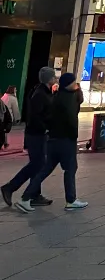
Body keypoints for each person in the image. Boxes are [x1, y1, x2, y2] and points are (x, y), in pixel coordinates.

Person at [23, 72, 86, 210]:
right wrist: (73, 135)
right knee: (70, 168)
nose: (76, 84)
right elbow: (71, 119)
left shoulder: (57, 96)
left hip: (53, 139)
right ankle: (71, 200)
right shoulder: (66, 98)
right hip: (65, 140)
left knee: (46, 169)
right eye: (74, 82)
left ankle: (26, 197)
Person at [1, 68, 57, 212]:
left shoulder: (43, 91)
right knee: (38, 164)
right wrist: (45, 128)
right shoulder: (39, 94)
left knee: (38, 164)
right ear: (48, 78)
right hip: (36, 134)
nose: (55, 78)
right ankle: (10, 187)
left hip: (38, 134)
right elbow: (35, 116)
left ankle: (34, 194)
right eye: (54, 76)